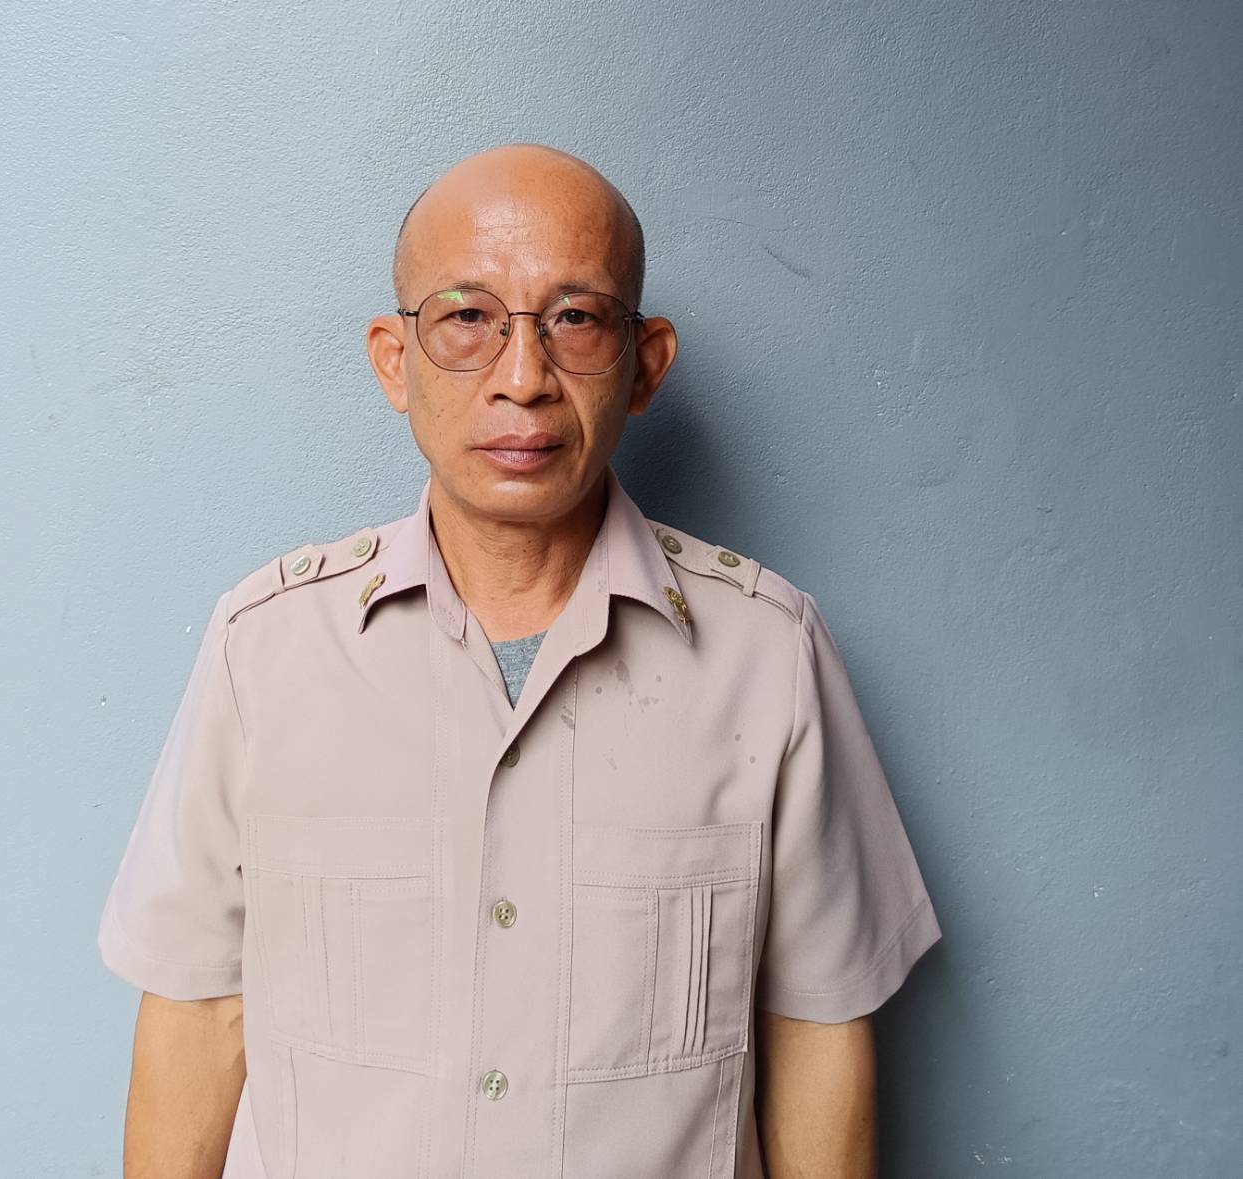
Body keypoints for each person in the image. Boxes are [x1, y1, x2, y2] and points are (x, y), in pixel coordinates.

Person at [97, 142, 942, 1178]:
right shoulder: (264, 648)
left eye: (575, 319)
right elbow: (199, 1015)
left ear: (644, 363)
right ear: (393, 360)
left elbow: (817, 1028)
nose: (523, 379)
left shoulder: (769, 656)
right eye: (467, 318)